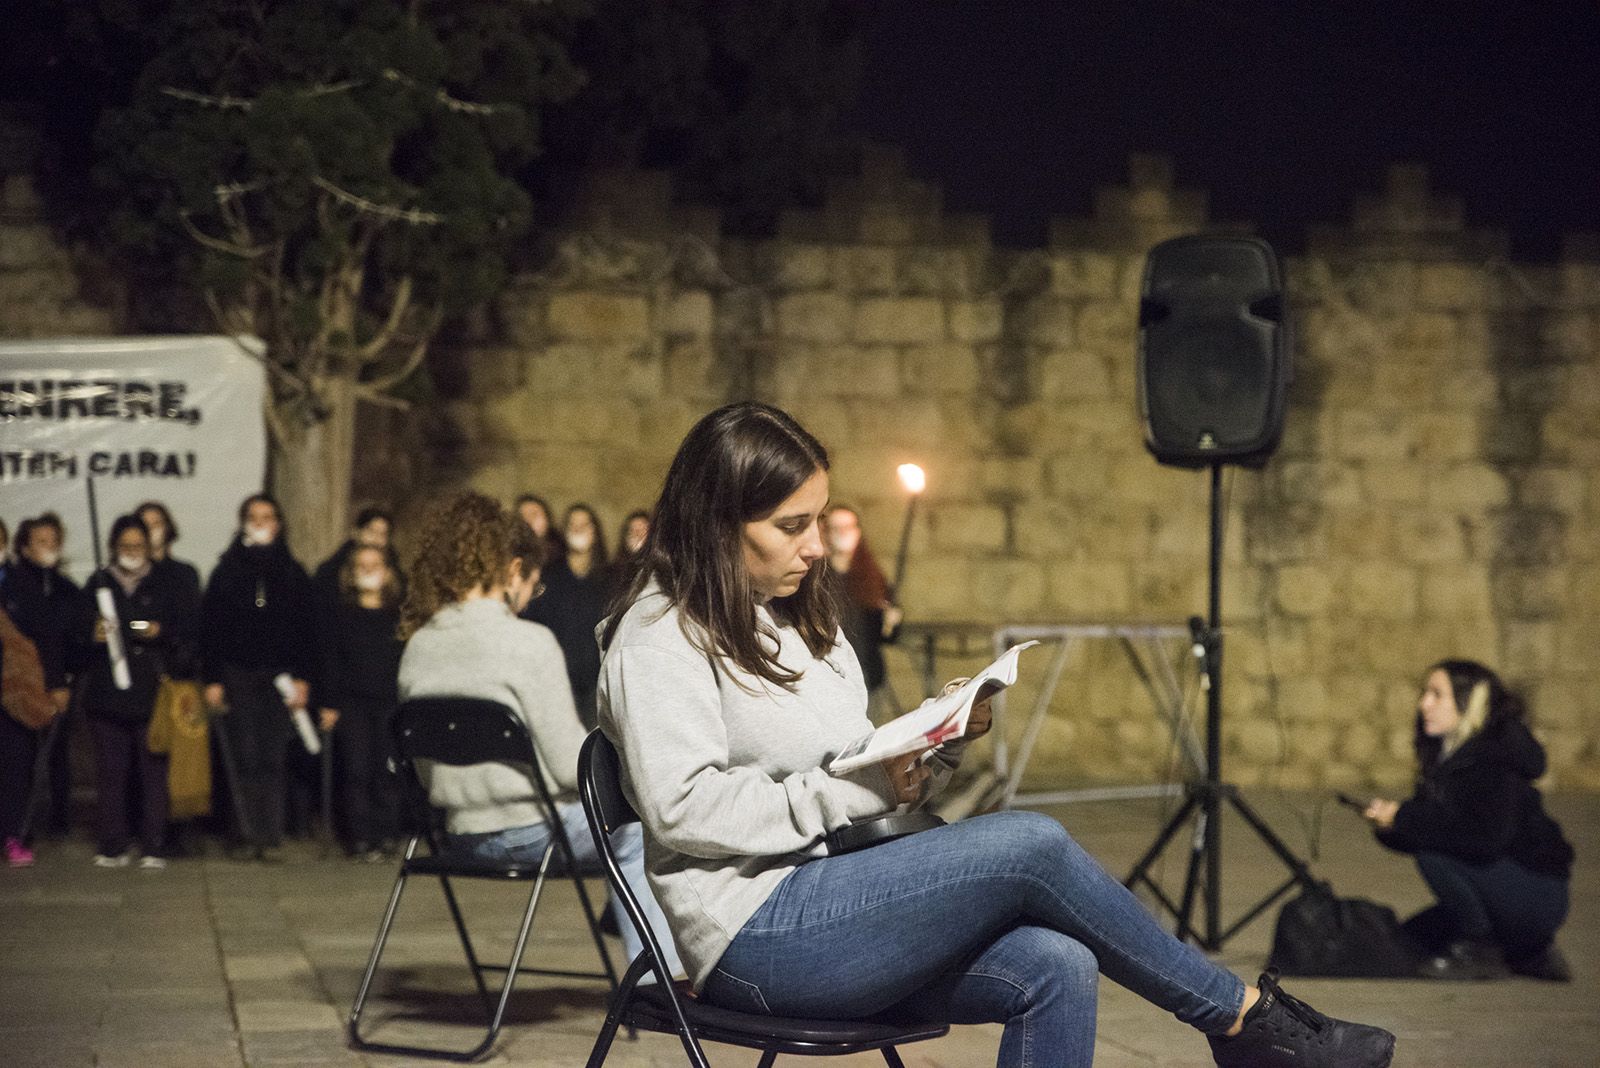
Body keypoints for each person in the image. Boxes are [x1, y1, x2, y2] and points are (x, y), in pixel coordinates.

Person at [597, 402, 1394, 1068]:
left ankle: (1244, 1025)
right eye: (791, 524)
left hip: (845, 896)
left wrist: (934, 747)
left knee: (1058, 962)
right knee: (1030, 843)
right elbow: (683, 810)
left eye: (818, 519)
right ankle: (1239, 1018)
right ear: (717, 522)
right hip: (756, 938)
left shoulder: (802, 621)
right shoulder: (659, 638)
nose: (817, 545)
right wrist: (850, 790)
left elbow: (849, 774)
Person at [396, 493, 682, 978]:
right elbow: (569, 764)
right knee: (645, 829)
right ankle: (657, 977)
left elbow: (422, 767)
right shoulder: (527, 643)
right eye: (533, 583)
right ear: (512, 571)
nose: (531, 597)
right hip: (529, 833)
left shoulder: (418, 644)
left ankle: (636, 937)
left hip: (456, 834)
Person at [1361, 659, 1573, 981]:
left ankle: (1483, 950)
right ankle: (1530, 953)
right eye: (1425, 693)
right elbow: (1434, 823)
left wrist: (1404, 817)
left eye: (1436, 695)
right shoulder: (1454, 754)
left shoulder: (1493, 759)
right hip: (1505, 882)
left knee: (1433, 855)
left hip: (1536, 892)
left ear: (1470, 702)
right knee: (1413, 938)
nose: (1424, 704)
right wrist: (1390, 825)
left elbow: (1483, 839)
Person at [72, 515, 194, 868]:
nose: (131, 553)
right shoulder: (98, 582)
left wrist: (138, 627)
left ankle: (153, 844)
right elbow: (80, 630)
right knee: (111, 773)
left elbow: (169, 627)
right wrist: (92, 633)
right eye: (125, 546)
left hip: (150, 693)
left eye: (137, 546)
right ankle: (112, 843)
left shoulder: (166, 581)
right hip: (107, 694)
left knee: (153, 772)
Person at [199, 495, 316, 860]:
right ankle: (245, 833)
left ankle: (269, 833)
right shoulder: (227, 571)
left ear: (278, 524)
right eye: (254, 517)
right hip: (238, 674)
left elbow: (306, 631)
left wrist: (303, 678)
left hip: (278, 676)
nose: (261, 523)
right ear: (243, 522)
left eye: (268, 517)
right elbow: (212, 630)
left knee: (273, 756)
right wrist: (214, 679)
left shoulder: (293, 572)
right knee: (244, 754)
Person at [316, 544, 405, 859]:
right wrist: (329, 703)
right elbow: (331, 661)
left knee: (386, 770)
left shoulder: (399, 616)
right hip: (352, 703)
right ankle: (359, 836)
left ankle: (385, 833)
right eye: (361, 566)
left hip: (390, 703)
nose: (368, 571)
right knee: (356, 769)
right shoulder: (341, 614)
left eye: (375, 565)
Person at [0, 513, 80, 840]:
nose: (49, 548)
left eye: (53, 542)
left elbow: (58, 637)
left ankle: (35, 827)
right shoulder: (18, 582)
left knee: (38, 758)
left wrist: (60, 680)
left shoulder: (50, 588)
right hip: (17, 681)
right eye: (41, 542)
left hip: (35, 684)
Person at [522, 504, 611, 732]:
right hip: (557, 685)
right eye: (572, 524)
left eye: (584, 524)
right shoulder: (548, 579)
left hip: (598, 686)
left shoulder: (610, 581)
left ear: (596, 531)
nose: (578, 529)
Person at [823, 504, 902, 717]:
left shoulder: (871, 578)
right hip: (830, 678)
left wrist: (891, 622)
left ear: (858, 531)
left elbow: (888, 637)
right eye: (835, 527)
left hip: (868, 676)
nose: (842, 534)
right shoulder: (817, 579)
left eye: (847, 527)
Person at [312, 506, 403, 596]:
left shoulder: (395, 572)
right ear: (357, 532)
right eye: (371, 531)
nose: (376, 539)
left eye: (382, 534)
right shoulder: (334, 568)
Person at [513, 492, 564, 564]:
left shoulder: (562, 554)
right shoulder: (511, 553)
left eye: (534, 514)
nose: (528, 520)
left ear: (547, 519)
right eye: (522, 516)